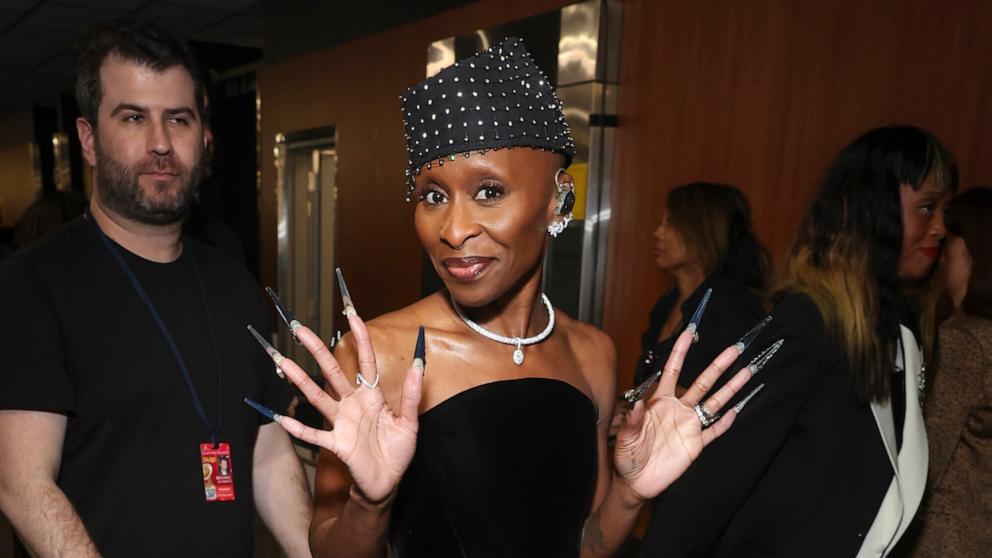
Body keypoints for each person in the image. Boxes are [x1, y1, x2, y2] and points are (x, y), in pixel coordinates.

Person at [241, 38, 765, 557]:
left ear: (559, 198)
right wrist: (370, 504)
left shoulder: (593, 354)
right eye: (433, 196)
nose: (453, 229)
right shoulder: (380, 353)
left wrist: (629, 496)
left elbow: (583, 545)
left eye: (488, 192)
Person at [0, 19, 311, 557]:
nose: (161, 143)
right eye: (134, 118)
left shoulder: (232, 279)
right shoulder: (33, 284)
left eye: (179, 119)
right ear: (89, 140)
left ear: (204, 137)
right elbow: (23, 485)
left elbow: (265, 452)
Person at [642, 125, 956, 557]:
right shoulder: (810, 324)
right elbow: (713, 484)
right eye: (927, 208)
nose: (941, 228)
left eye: (943, 210)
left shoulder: (899, 334)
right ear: (872, 209)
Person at [905, 187, 992, 557]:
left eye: (949, 243)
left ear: (970, 250)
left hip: (943, 537)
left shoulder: (965, 342)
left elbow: (928, 454)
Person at [634, 182, 770, 389]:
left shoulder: (732, 308)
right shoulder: (667, 302)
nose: (658, 233)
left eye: (670, 223)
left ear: (702, 231)